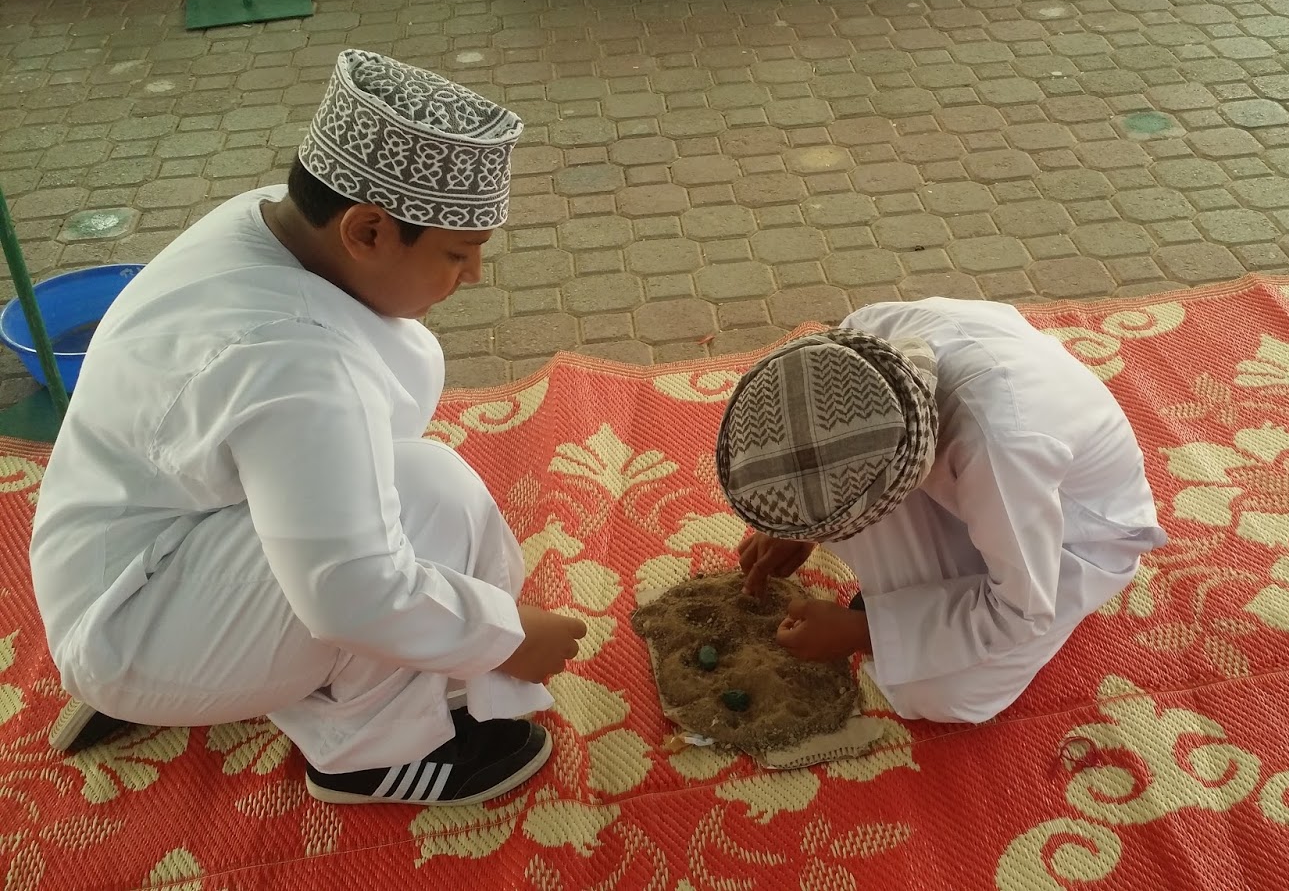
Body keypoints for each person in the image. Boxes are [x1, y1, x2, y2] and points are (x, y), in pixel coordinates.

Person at [29, 49, 587, 807]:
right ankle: (366, 753)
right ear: (367, 230)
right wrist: (506, 636)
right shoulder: (297, 357)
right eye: (459, 254)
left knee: (415, 489)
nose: (473, 276)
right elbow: (354, 593)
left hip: (141, 552)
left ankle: (233, 658)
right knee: (425, 506)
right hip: (130, 619)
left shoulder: (268, 223)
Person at [717, 298, 1166, 723]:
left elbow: (1020, 610)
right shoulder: (858, 344)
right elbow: (823, 444)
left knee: (941, 693)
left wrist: (864, 632)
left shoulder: (1003, 450)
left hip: (1075, 532)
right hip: (990, 480)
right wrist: (796, 522)